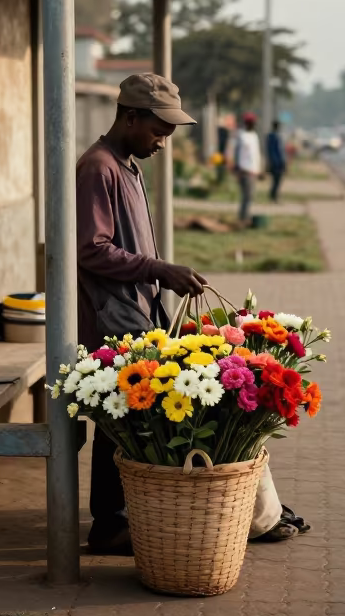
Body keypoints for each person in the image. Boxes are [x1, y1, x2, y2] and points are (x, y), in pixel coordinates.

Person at [77, 75, 305, 553]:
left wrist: (159, 278)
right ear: (130, 117)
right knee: (119, 423)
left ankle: (132, 516)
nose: (164, 142)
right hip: (111, 317)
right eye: (159, 131)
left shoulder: (127, 166)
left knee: (132, 423)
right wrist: (160, 269)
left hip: (136, 312)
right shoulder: (98, 168)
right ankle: (109, 524)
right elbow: (91, 250)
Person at [227, 112, 263, 226]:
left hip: (253, 171)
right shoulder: (240, 135)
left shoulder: (254, 136)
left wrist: (259, 170)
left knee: (250, 196)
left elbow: (256, 155)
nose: (253, 124)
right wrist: (235, 168)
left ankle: (244, 217)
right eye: (251, 123)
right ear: (247, 123)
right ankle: (243, 218)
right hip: (244, 170)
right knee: (247, 195)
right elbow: (235, 153)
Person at [266, 120, 287, 202]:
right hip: (277, 162)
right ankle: (274, 196)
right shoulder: (276, 137)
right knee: (277, 180)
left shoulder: (270, 136)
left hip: (274, 161)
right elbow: (279, 151)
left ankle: (273, 195)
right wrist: (282, 162)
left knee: (275, 180)